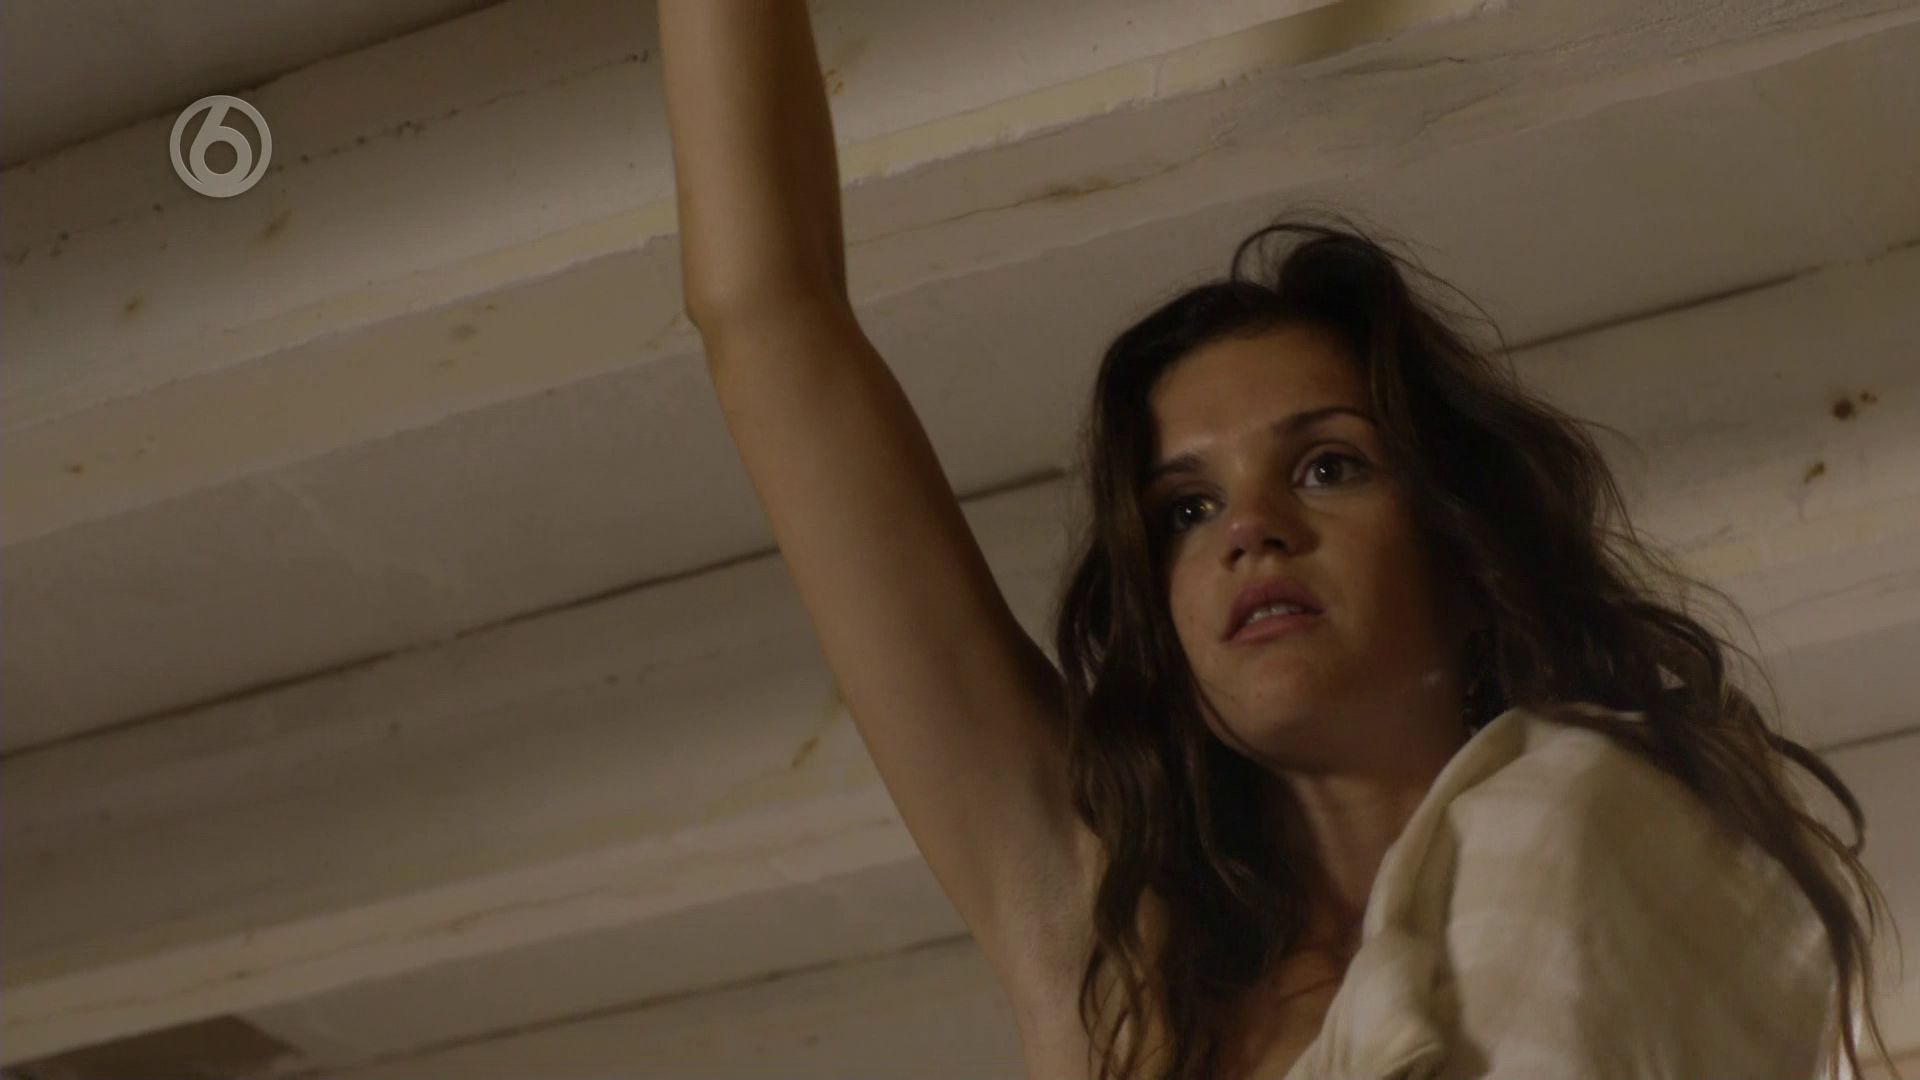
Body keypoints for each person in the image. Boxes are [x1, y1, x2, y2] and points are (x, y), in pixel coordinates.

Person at [654, 2, 1897, 1077]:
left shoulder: (1612, 834)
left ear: (1467, 553)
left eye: (1327, 467)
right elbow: (766, 313)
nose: (1251, 529)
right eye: (1186, 511)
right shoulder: (1122, 962)